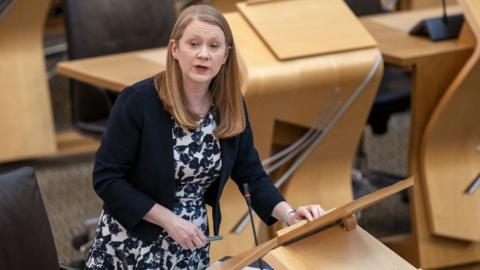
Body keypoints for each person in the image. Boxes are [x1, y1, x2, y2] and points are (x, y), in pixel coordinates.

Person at [85, 4, 325, 270]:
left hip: (191, 240)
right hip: (133, 242)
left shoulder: (229, 106)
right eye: (193, 44)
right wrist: (169, 220)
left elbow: (250, 175)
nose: (203, 55)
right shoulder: (138, 101)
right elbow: (106, 179)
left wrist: (289, 215)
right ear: (175, 50)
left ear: (226, 55)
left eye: (214, 46)